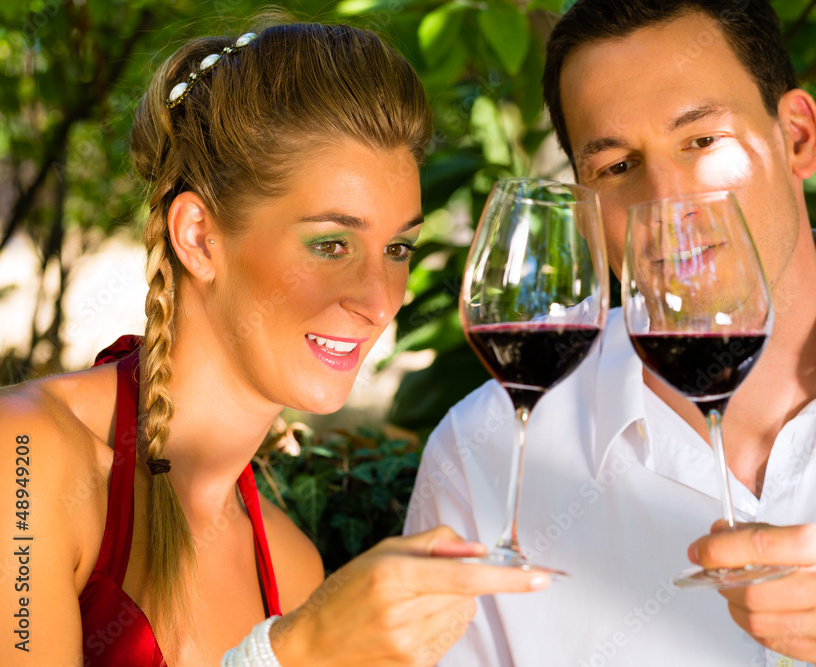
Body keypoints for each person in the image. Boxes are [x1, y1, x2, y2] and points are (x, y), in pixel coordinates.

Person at [404, 1, 816, 665]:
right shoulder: (481, 456)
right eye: (618, 167)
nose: (666, 203)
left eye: (701, 141)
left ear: (798, 136)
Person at [0, 21, 550, 667]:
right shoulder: (24, 458)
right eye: (330, 244)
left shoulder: (291, 566)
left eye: (397, 248)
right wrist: (296, 652)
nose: (379, 300)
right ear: (200, 236)